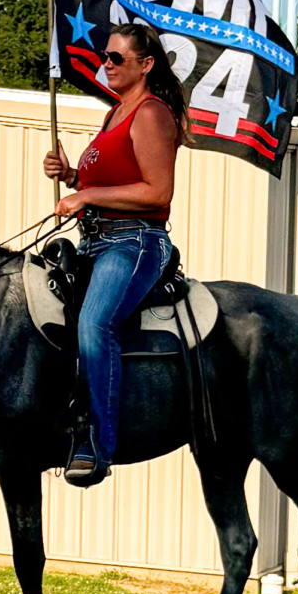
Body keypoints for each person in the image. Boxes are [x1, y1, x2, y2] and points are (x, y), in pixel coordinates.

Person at [41, 24, 188, 487]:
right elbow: (108, 184)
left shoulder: (150, 113)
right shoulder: (115, 113)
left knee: (94, 323)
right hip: (95, 241)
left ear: (145, 65)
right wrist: (70, 177)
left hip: (135, 242)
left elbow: (156, 191)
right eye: (105, 56)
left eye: (116, 58)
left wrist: (86, 197)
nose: (106, 63)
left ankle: (95, 445)